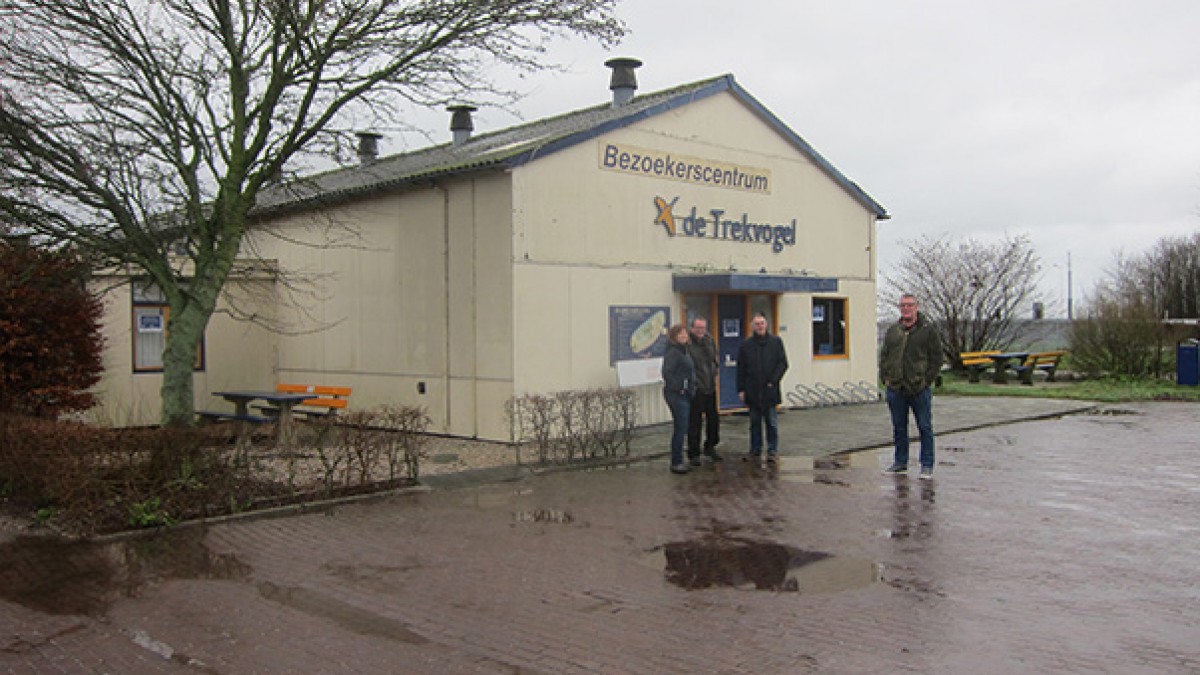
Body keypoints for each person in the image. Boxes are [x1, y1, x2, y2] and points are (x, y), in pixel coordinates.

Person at [879, 293, 944, 479]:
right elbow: (885, 355)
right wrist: (886, 378)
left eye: (910, 305)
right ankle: (900, 462)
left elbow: (937, 358)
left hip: (918, 389)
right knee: (899, 427)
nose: (906, 309)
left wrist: (926, 380)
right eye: (903, 305)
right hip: (896, 388)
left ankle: (927, 464)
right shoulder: (893, 331)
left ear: (916, 307)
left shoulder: (928, 331)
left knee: (924, 426)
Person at [737, 313, 788, 464]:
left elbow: (783, 363)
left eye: (762, 323)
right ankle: (755, 449)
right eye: (757, 324)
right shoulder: (746, 345)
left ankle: (772, 451)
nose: (760, 326)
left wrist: (773, 380)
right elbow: (741, 369)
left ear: (766, 325)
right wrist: (740, 389)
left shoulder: (776, 342)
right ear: (752, 326)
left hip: (769, 390)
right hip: (752, 390)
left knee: (771, 422)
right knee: (754, 423)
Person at [686, 316, 722, 465]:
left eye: (703, 328)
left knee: (713, 420)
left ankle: (710, 447)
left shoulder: (709, 340)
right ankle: (694, 453)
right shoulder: (688, 343)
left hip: (710, 386)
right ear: (692, 328)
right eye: (698, 328)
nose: (701, 331)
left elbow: (714, 360)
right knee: (695, 422)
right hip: (696, 388)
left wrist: (715, 373)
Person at [661, 323, 696, 475]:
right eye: (680, 334)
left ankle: (680, 459)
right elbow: (667, 373)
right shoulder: (673, 352)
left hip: (686, 393)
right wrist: (679, 387)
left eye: (685, 334)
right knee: (680, 428)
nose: (684, 336)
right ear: (674, 336)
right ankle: (676, 462)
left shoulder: (684, 351)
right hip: (676, 394)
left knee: (683, 426)